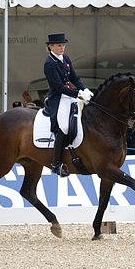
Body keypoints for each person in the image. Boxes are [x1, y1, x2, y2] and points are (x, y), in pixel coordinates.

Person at [42, 32, 93, 176]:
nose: (62, 47)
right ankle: (56, 163)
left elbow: (74, 78)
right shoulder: (49, 64)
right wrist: (77, 94)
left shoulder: (65, 58)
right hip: (58, 98)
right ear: (50, 46)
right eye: (59, 45)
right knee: (64, 126)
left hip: (70, 94)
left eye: (63, 45)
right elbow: (58, 87)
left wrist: (85, 89)